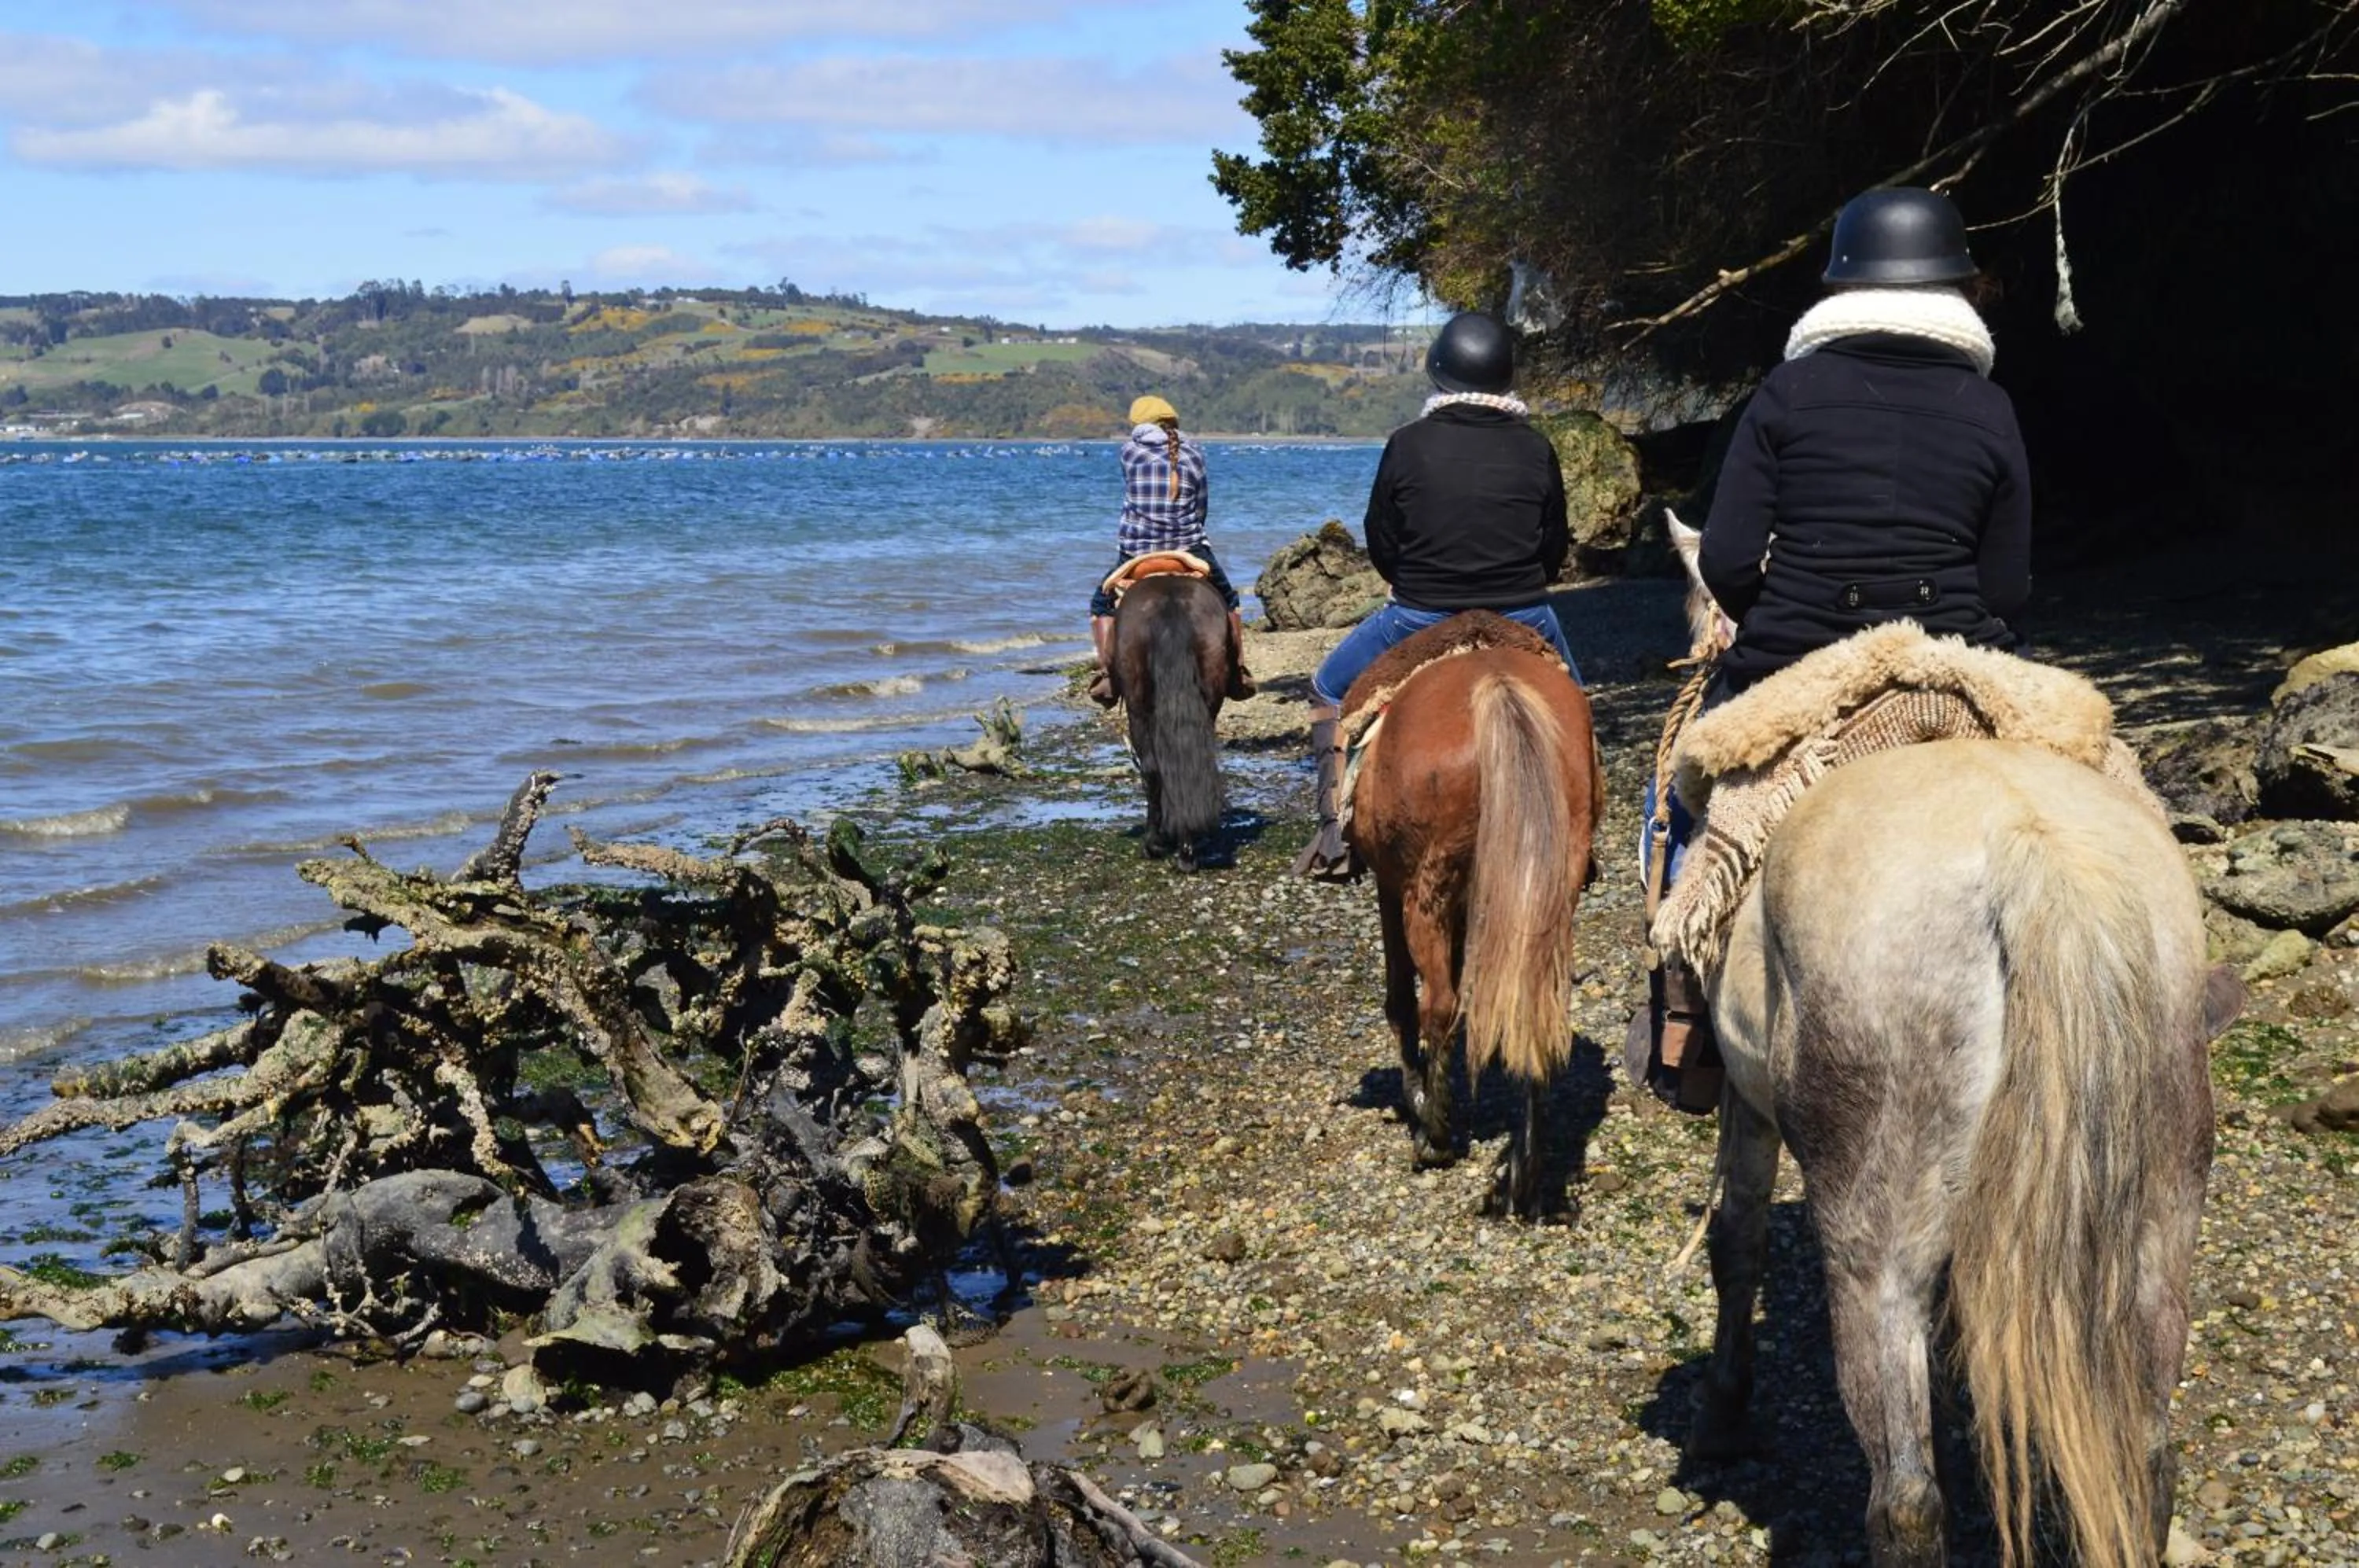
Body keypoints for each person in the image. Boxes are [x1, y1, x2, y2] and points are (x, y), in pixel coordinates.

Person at [1643, 184, 2033, 1110]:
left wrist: (1785, 603)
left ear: (1842, 283)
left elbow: (1731, 559)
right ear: (1956, 287)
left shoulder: (1785, 394)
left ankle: (1686, 1023)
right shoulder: (1992, 409)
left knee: (1686, 802)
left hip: (1800, 661)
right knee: (2106, 779)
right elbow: (2010, 589)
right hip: (1955, 661)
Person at [1292, 310, 1580, 877]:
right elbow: (1555, 544)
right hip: (1524, 613)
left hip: (1419, 614)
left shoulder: (1407, 444)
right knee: (1576, 708)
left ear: (1440, 372)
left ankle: (1334, 837)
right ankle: (1580, 838)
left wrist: (1410, 579)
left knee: (1327, 686)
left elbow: (1381, 536)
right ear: (1504, 375)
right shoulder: (1536, 447)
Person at [1087, 396, 1254, 707]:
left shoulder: (1129, 452)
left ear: (1137, 425)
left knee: (1100, 603)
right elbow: (1201, 504)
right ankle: (1238, 672)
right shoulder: (1194, 452)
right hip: (1189, 547)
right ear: (1172, 422)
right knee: (1229, 599)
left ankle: (1108, 675)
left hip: (1136, 550)